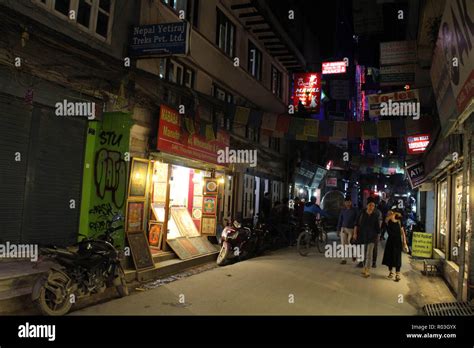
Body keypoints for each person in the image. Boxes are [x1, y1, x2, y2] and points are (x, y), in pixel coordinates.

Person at [353, 198, 381, 278]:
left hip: (372, 237)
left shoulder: (375, 215)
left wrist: (378, 237)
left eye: (373, 205)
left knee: (369, 254)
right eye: (370, 205)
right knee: (363, 253)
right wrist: (355, 234)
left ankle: (367, 269)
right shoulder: (361, 214)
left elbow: (378, 228)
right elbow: (356, 224)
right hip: (362, 236)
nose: (371, 207)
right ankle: (364, 267)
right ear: (367, 205)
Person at [382, 210, 408, 282]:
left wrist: (405, 242)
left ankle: (397, 274)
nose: (390, 215)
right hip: (390, 241)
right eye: (389, 214)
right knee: (390, 257)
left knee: (397, 257)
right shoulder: (388, 222)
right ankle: (391, 272)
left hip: (398, 241)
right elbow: (386, 220)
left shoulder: (399, 222)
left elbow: (403, 233)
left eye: (391, 213)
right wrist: (389, 216)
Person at [336, 197, 358, 264]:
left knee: (351, 243)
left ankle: (353, 254)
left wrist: (355, 232)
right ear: (344, 203)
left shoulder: (355, 210)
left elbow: (356, 221)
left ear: (351, 202)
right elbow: (340, 220)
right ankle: (344, 259)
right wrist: (338, 229)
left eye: (349, 202)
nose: (347, 203)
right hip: (343, 229)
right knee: (343, 244)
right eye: (346, 202)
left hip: (351, 229)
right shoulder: (343, 210)